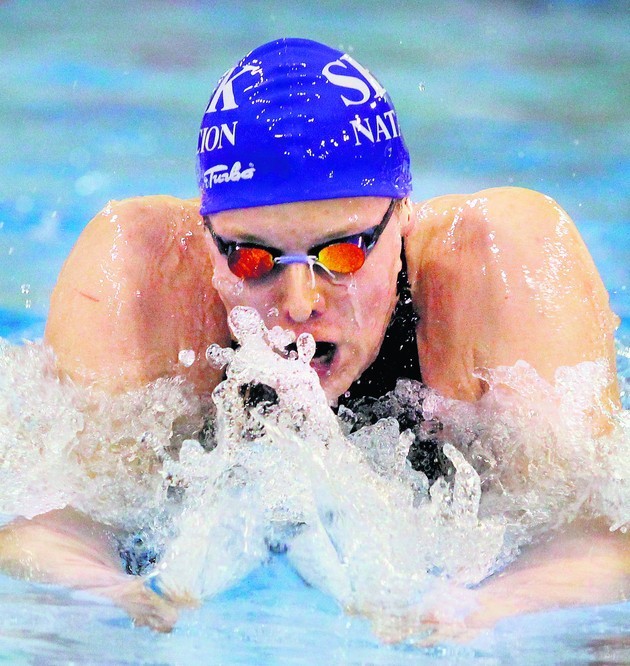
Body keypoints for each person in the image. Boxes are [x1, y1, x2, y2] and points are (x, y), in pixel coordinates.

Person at [0, 38, 626, 636]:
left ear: (401, 214)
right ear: (207, 236)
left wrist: (478, 617)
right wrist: (116, 599)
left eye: (345, 254)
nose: (299, 305)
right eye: (251, 259)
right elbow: (51, 528)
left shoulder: (498, 271)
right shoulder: (142, 282)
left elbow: (593, 544)